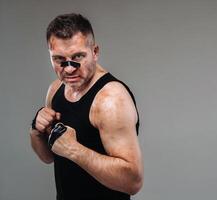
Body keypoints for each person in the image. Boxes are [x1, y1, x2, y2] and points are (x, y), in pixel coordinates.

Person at [30, 13, 143, 200]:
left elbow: (133, 182)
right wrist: (36, 131)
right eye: (59, 59)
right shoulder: (56, 89)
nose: (68, 68)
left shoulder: (110, 100)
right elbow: (49, 157)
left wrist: (74, 150)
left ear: (95, 52)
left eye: (78, 57)